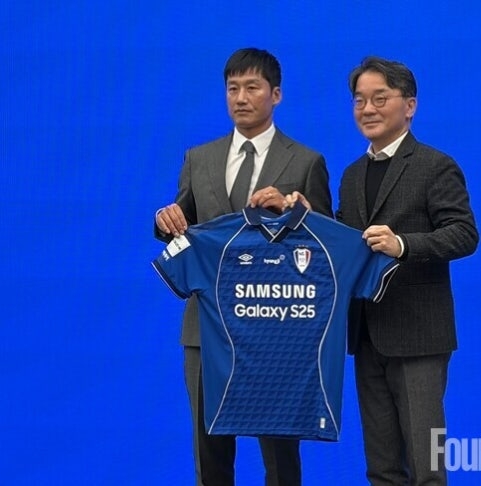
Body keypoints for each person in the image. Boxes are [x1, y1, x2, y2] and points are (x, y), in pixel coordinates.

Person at [154, 48, 332, 486]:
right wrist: (164, 220)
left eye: (252, 87)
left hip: (276, 328)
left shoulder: (305, 161)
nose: (240, 97)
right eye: (232, 88)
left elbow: (327, 246)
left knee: (280, 457)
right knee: (209, 451)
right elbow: (183, 223)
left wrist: (295, 212)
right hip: (206, 327)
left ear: (276, 94)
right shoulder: (199, 158)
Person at [337, 57, 479, 485]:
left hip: (419, 338)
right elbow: (345, 241)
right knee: (381, 469)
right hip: (366, 334)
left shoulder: (435, 165)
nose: (368, 109)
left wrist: (403, 245)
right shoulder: (351, 175)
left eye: (380, 98)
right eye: (359, 100)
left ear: (410, 105)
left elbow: (464, 234)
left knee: (427, 466)